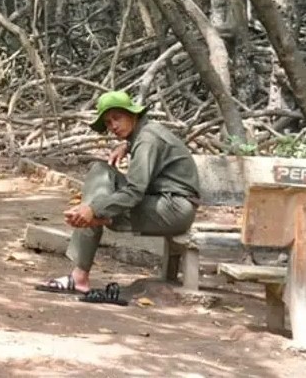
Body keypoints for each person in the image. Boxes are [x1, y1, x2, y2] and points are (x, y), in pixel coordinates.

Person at [36, 90, 200, 297]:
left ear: (133, 115)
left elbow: (135, 191)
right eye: (107, 122)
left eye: (117, 118)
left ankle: (80, 272)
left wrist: (94, 209)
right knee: (100, 171)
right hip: (163, 202)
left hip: (174, 209)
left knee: (96, 205)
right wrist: (127, 145)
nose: (112, 126)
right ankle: (83, 264)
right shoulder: (143, 134)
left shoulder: (147, 139)